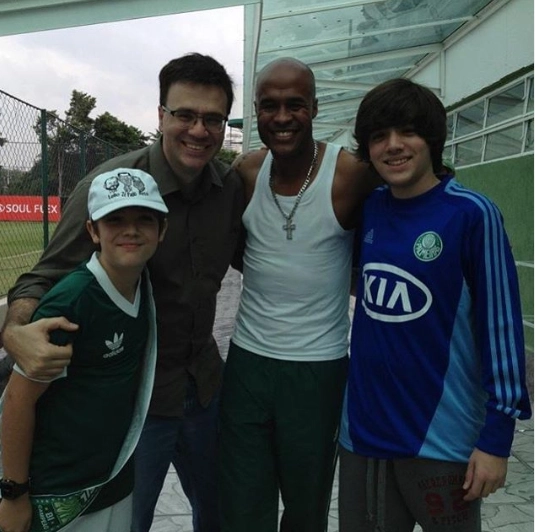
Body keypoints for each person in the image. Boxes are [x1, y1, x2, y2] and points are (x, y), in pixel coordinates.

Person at [0, 53, 244, 532]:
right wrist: (15, 333)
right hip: (140, 402)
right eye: (185, 115)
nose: (199, 129)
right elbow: (40, 277)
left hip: (206, 388)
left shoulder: (231, 187)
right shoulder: (110, 192)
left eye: (213, 118)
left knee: (221, 515)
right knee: (131, 522)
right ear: (160, 116)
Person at [338, 78, 532, 532]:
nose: (393, 146)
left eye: (407, 131)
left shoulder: (471, 214)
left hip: (442, 445)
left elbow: (501, 330)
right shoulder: (371, 209)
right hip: (363, 437)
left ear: (432, 139)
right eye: (379, 136)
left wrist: (497, 441)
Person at [219, 57, 380, 532]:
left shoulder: (349, 174)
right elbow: (235, 250)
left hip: (319, 369)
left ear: (314, 106)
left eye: (295, 105)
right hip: (248, 362)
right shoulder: (245, 173)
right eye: (269, 106)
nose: (282, 117)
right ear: (255, 110)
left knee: (306, 505)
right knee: (243, 500)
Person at [0, 168, 168, 532]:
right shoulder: (71, 302)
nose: (131, 230)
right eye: (115, 219)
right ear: (92, 230)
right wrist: (13, 496)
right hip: (59, 495)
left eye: (144, 219)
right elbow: (17, 400)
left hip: (112, 481)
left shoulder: (143, 285)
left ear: (162, 230)